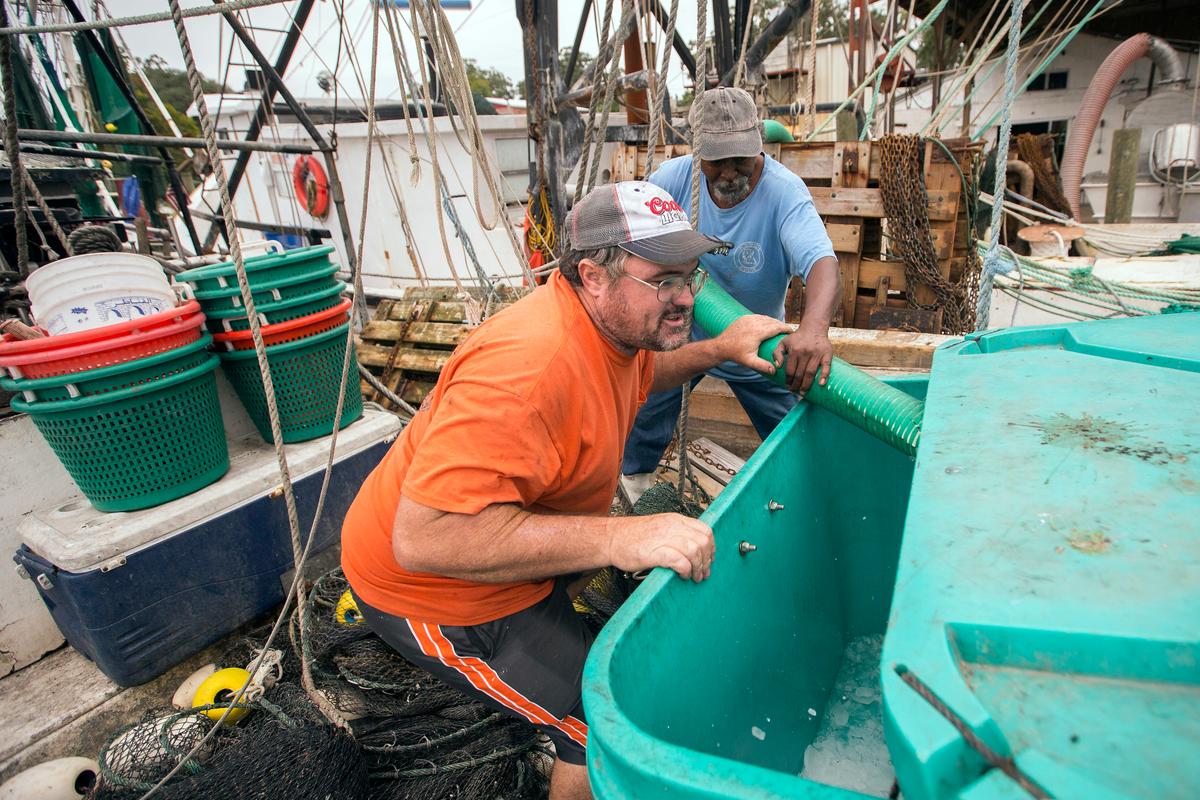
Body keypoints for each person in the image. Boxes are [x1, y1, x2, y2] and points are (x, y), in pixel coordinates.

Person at [340, 180, 790, 800]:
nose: (685, 297)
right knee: (602, 722)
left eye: (692, 277)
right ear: (593, 275)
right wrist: (619, 536)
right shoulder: (529, 369)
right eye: (664, 281)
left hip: (494, 551)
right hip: (432, 591)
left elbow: (643, 371)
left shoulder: (609, 327)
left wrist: (718, 348)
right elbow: (423, 538)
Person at [620, 86, 842, 494]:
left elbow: (822, 262)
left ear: (758, 142)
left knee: (793, 437)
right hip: (683, 337)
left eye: (739, 159)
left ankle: (809, 497)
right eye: (716, 162)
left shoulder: (784, 193)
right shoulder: (671, 180)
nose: (728, 172)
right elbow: (632, 240)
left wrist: (813, 330)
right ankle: (635, 489)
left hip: (755, 344)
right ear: (697, 153)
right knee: (646, 408)